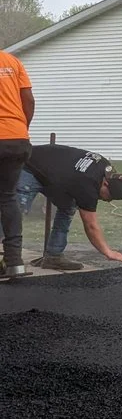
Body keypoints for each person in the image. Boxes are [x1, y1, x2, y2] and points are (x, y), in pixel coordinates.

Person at [17, 145, 122, 270]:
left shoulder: (105, 168)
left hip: (53, 174)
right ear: (105, 183)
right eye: (107, 197)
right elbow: (91, 226)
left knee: (68, 208)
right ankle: (10, 258)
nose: (105, 200)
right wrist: (108, 252)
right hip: (28, 166)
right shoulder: (88, 185)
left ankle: (53, 257)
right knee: (14, 213)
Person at [0, 49, 35, 278]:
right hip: (16, 139)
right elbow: (29, 100)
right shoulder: (12, 61)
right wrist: (22, 128)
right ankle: (14, 262)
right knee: (7, 197)